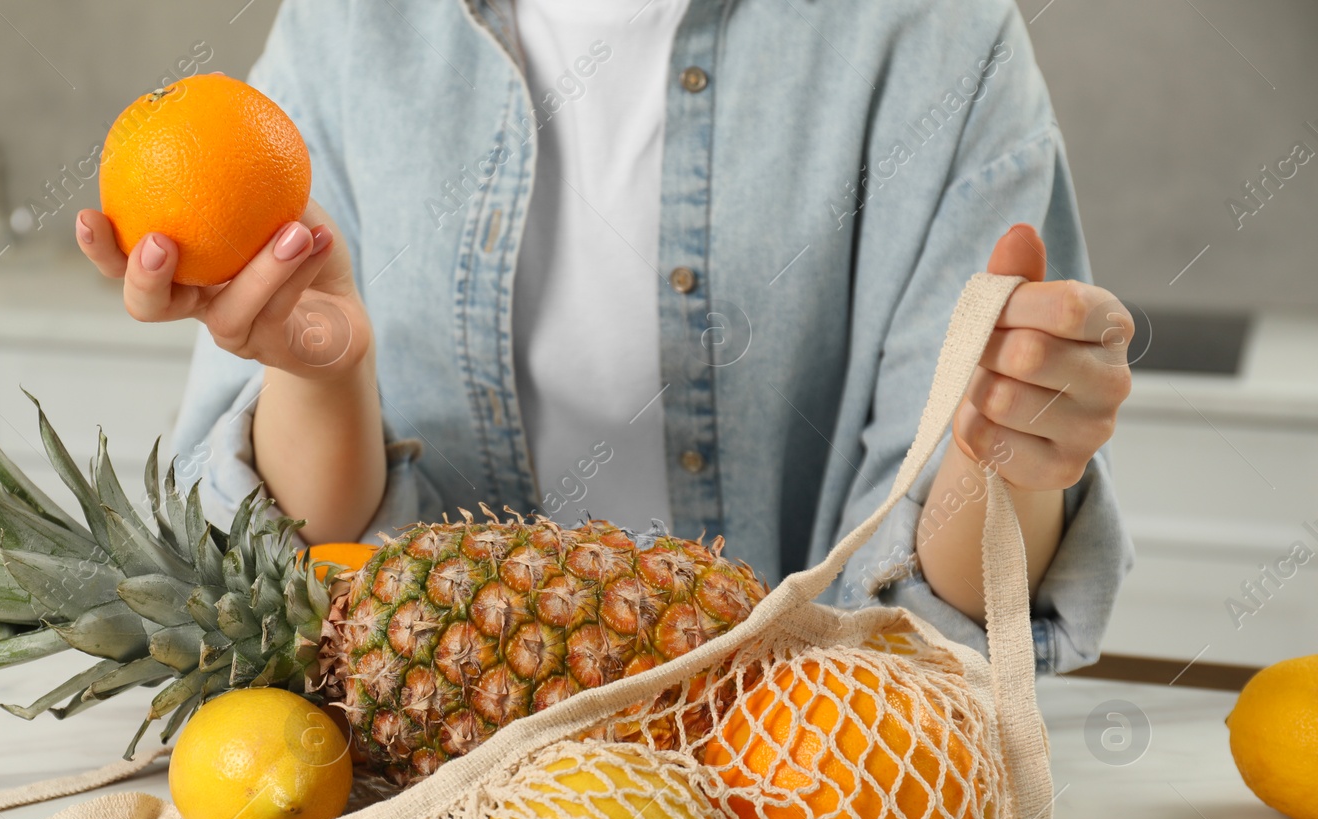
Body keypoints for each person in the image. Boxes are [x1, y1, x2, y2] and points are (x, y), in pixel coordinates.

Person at [75, 0, 1135, 674]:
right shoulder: (348, 30)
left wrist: (1006, 453)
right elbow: (300, 578)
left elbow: (928, 622)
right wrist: (324, 372)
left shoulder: (938, 38)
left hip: (805, 796)